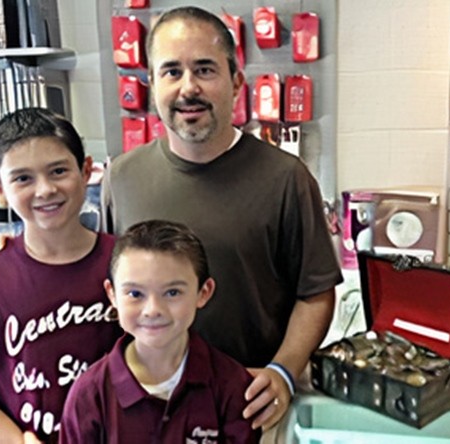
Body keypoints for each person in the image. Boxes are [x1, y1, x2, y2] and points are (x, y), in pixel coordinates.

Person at [101, 6, 343, 431]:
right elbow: (101, 281)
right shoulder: (121, 178)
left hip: (249, 407)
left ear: (235, 82)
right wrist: (12, 252)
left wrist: (284, 371)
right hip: (149, 412)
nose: (188, 88)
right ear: (153, 84)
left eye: (204, 70)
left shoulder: (285, 178)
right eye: (172, 72)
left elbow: (316, 293)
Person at [0, 108, 121, 443]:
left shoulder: (128, 264)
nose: (45, 190)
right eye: (23, 178)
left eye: (58, 171)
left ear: (86, 171)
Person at [59, 219, 261, 443]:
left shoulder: (232, 385)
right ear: (112, 294)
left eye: (172, 292)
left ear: (203, 292)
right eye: (135, 294)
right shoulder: (89, 396)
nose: (153, 310)